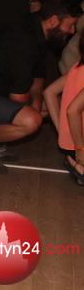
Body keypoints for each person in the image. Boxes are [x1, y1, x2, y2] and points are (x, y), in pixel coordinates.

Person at [0, 0, 77, 171]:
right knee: (31, 121)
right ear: (53, 21)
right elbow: (17, 99)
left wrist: (37, 100)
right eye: (70, 25)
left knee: (53, 104)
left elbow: (38, 74)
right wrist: (33, 109)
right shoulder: (22, 42)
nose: (72, 31)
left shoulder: (37, 28)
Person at [44, 33, 84, 186]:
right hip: (79, 146)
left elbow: (49, 92)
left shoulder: (77, 67)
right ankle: (78, 164)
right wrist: (80, 149)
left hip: (71, 143)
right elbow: (72, 110)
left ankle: (74, 161)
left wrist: (62, 131)